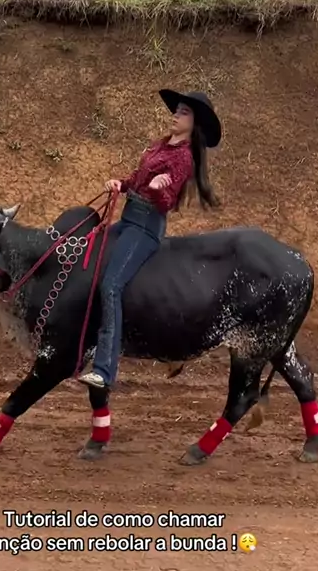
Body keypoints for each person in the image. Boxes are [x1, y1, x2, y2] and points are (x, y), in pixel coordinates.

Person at [78, 88, 222, 390]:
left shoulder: (183, 158)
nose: (176, 115)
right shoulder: (161, 145)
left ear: (194, 124)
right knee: (90, 252)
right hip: (128, 219)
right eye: (177, 110)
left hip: (145, 229)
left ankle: (104, 370)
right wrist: (121, 184)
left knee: (112, 285)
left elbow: (166, 202)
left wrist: (158, 189)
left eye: (184, 112)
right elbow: (137, 178)